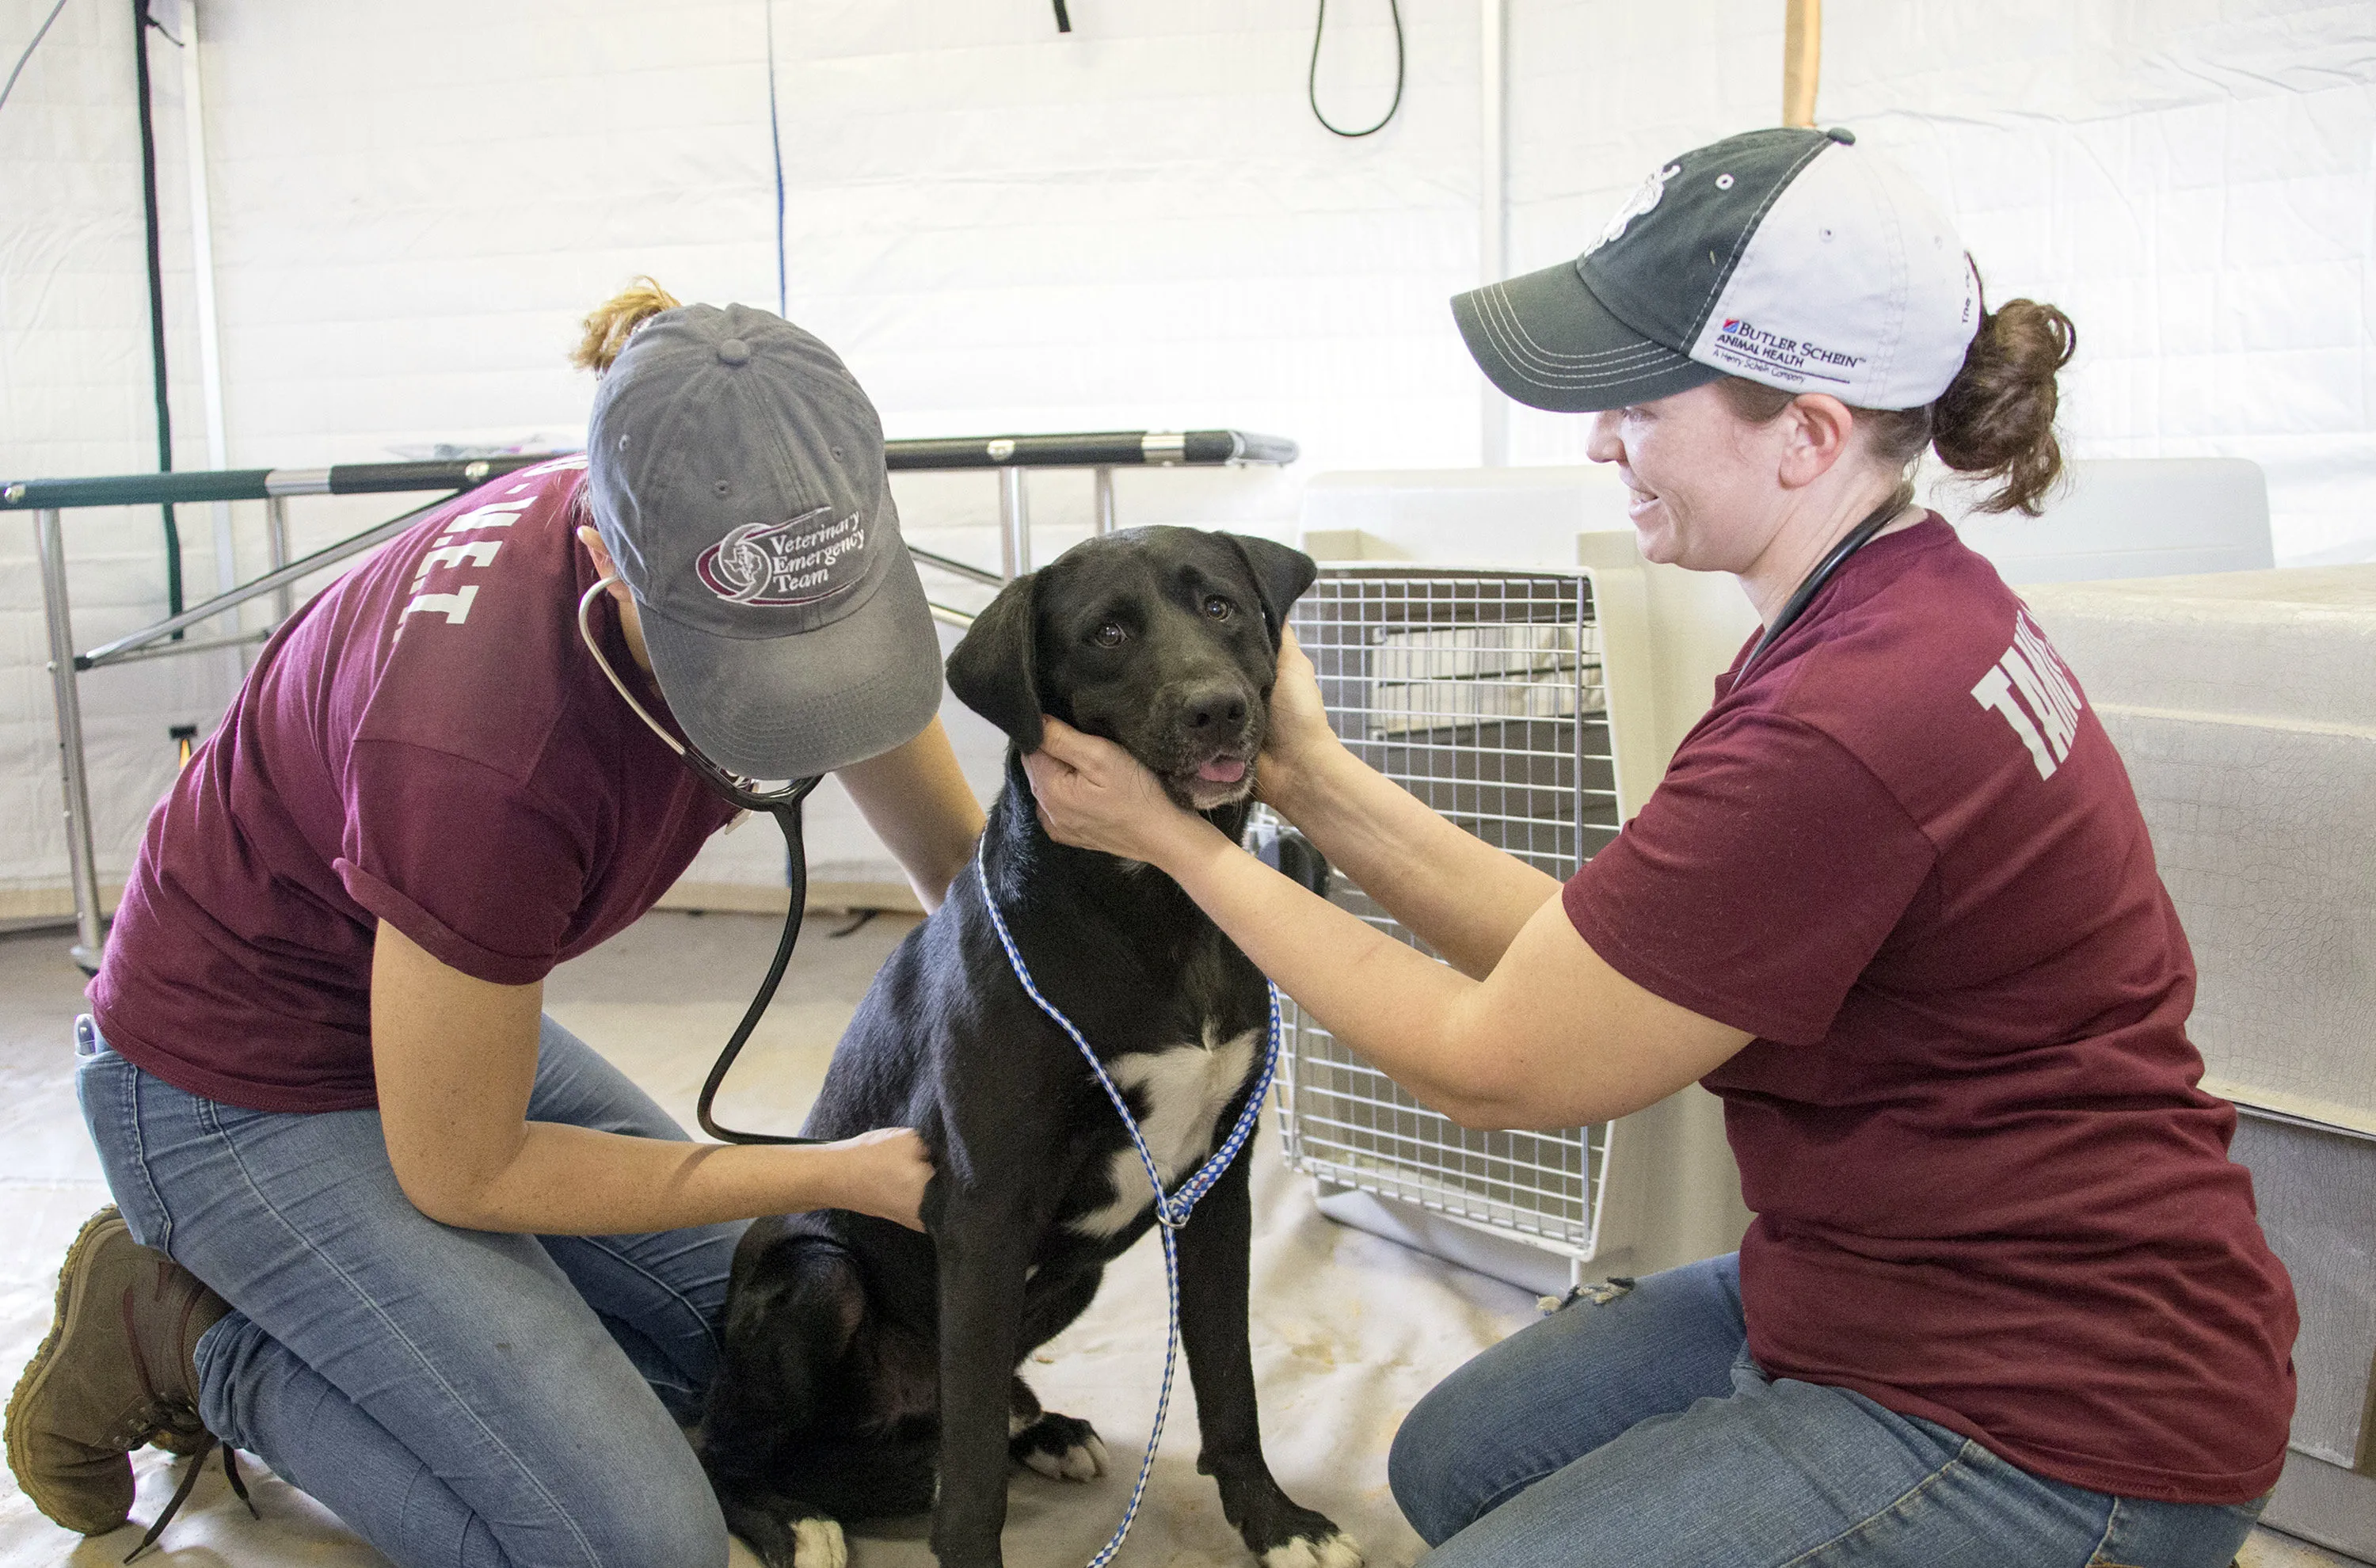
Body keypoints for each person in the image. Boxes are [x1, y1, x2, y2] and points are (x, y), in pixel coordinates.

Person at [1022, 127, 2298, 1568]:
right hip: (1866, 1282)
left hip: (2047, 1417)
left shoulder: (1848, 722)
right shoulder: (1891, 604)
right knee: (1458, 1469)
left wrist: (1182, 847)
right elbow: (1585, 955)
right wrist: (1305, 776)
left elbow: (1495, 1065)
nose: (1598, 442)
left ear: (1807, 433)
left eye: (1636, 401)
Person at [5, 280, 975, 1566]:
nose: (800, 704)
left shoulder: (765, 528)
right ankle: (193, 1339)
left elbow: (969, 880)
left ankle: (434, 1336)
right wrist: (835, 1170)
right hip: (227, 1084)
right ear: (603, 562)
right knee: (637, 1542)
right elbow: (466, 1171)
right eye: (747, 669)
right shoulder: (483, 747)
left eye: (828, 647)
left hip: (423, 1019)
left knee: (819, 1383)